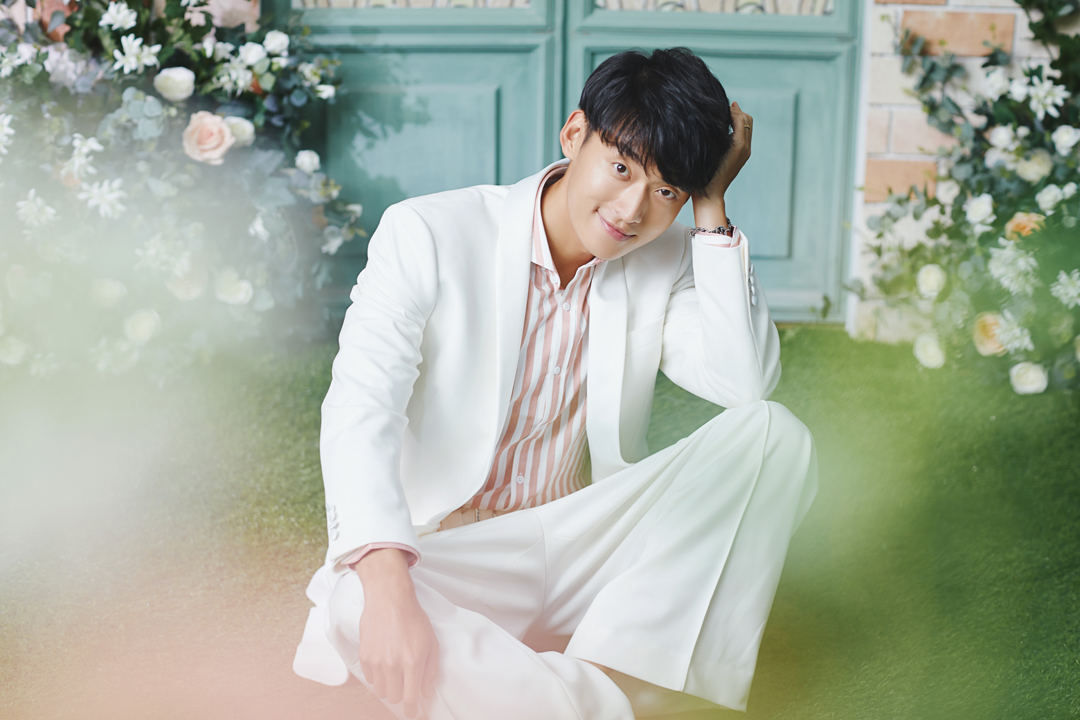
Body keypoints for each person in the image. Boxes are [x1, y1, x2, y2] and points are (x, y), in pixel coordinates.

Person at [292, 47, 818, 720]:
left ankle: (573, 675)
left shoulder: (668, 257)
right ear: (575, 134)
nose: (631, 209)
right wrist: (390, 592)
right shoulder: (429, 231)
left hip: (583, 541)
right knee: (354, 600)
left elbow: (744, 383)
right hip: (457, 548)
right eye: (621, 168)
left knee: (774, 435)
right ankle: (617, 698)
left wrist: (710, 205)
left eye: (666, 191)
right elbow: (362, 406)